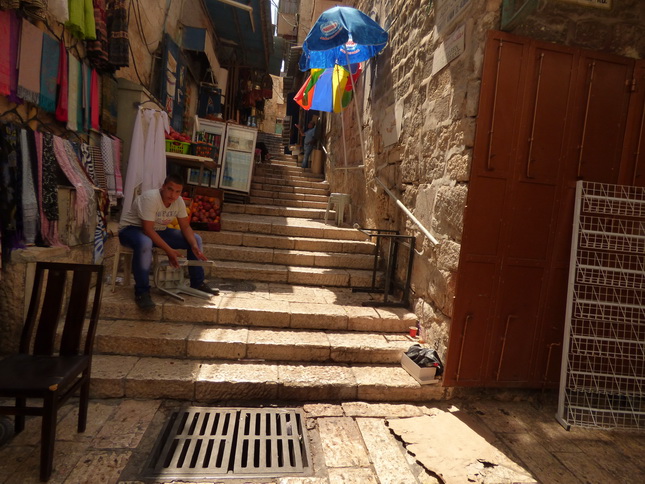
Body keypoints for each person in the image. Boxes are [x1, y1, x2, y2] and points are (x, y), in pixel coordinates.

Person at [118, 174, 217, 310]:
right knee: (145, 242)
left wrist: (194, 245)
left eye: (177, 192)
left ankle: (197, 282)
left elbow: (185, 226)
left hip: (158, 230)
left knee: (196, 239)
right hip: (131, 230)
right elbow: (147, 229)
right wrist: (169, 250)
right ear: (163, 187)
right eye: (170, 189)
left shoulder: (179, 202)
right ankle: (142, 292)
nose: (173, 195)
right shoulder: (151, 198)